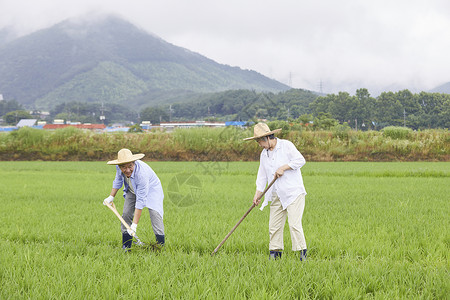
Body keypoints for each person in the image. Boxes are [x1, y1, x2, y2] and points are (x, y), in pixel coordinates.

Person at [244, 123, 307, 260]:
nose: (259, 144)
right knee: (274, 226)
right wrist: (257, 194)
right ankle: (275, 256)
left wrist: (284, 167)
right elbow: (262, 176)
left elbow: (300, 160)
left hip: (293, 193)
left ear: (267, 137)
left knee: (294, 224)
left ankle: (302, 256)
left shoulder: (286, 146)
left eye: (259, 141)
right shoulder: (264, 154)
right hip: (276, 193)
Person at [103, 148, 165, 250]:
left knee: (155, 215)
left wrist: (134, 225)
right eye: (124, 167)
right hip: (132, 189)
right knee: (126, 214)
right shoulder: (119, 168)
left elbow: (140, 201)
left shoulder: (142, 174)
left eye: (130, 166)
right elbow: (118, 180)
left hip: (152, 190)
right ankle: (126, 247)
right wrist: (111, 196)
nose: (127, 170)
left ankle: (160, 247)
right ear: (119, 166)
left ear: (134, 163)